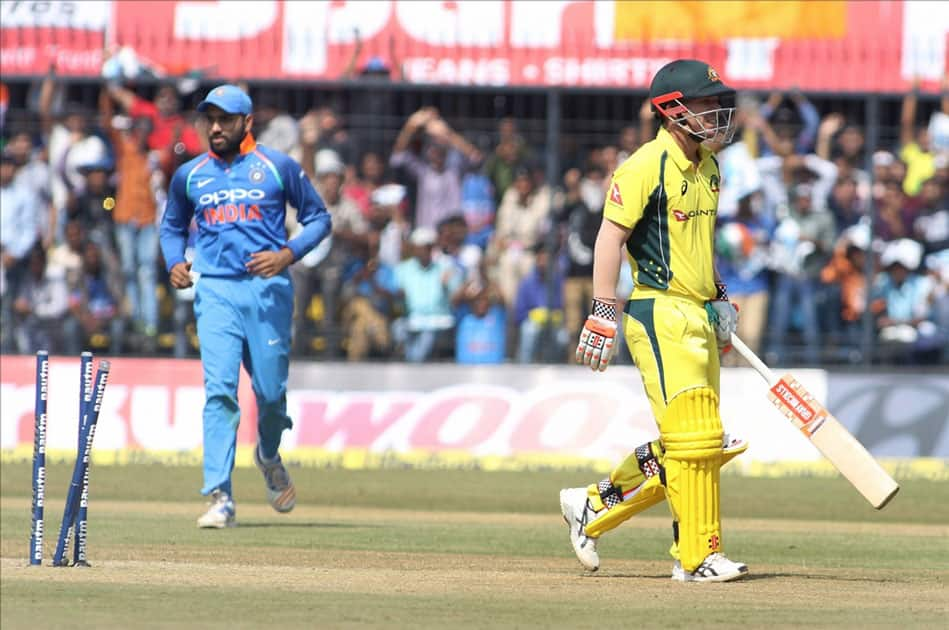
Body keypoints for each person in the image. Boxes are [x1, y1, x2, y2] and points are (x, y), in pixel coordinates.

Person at [561, 59, 749, 582]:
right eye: (707, 104)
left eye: (717, 103)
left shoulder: (711, 167)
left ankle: (594, 504)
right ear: (672, 110)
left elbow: (701, 246)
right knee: (695, 441)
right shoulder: (645, 165)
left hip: (697, 311)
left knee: (700, 442)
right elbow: (609, 237)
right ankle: (699, 555)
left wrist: (721, 297)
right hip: (657, 311)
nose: (717, 113)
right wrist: (603, 309)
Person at [159, 85, 331, 528]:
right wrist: (175, 261)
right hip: (215, 291)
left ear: (246, 123)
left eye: (225, 120)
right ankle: (219, 496)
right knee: (220, 393)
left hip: (267, 290)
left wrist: (288, 255)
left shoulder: (277, 167)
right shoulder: (191, 175)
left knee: (271, 396)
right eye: (209, 119)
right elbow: (172, 226)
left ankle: (268, 453)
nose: (215, 128)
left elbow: (319, 218)